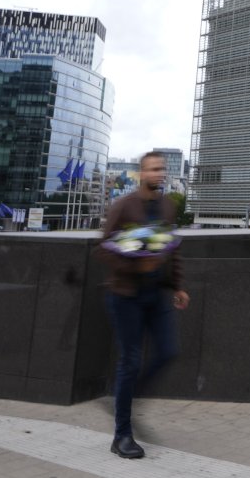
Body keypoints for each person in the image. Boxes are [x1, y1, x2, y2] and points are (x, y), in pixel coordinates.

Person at [98, 150, 189, 459]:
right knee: (131, 360)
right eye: (152, 169)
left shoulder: (167, 205)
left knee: (168, 351)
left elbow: (172, 245)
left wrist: (177, 285)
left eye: (161, 169)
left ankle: (128, 396)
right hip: (126, 295)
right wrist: (137, 267)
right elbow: (106, 248)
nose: (158, 173)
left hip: (157, 294)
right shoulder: (124, 206)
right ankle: (121, 435)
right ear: (141, 173)